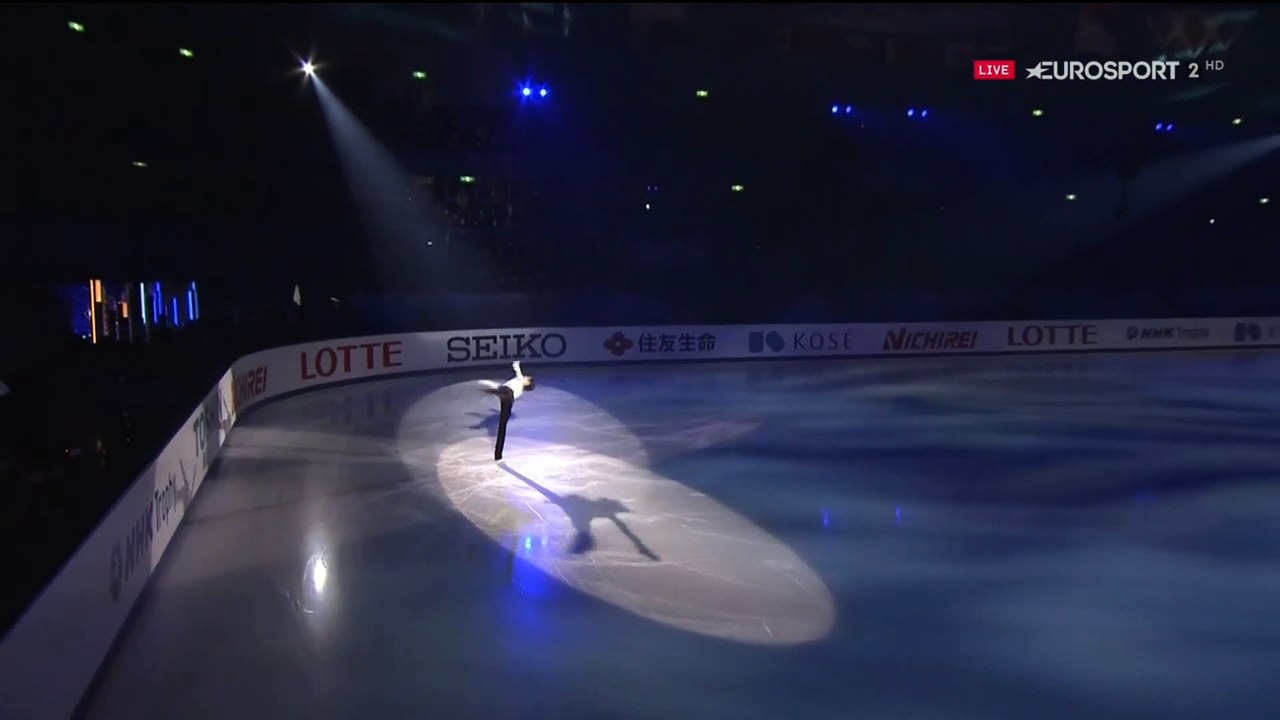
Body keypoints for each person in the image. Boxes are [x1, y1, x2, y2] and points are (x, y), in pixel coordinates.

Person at [478, 361, 534, 460]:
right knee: (502, 426)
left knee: (502, 393)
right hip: (508, 398)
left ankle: (490, 391)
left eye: (527, 378)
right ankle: (498, 455)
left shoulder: (520, 380)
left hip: (506, 393)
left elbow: (516, 369)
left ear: (527, 382)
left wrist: (516, 363)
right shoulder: (520, 390)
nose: (525, 377)